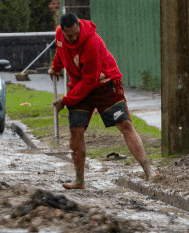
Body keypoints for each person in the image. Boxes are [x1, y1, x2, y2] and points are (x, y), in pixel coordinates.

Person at [49, 13, 153, 190]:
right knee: (76, 130)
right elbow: (62, 50)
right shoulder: (60, 35)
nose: (73, 38)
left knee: (125, 124)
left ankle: (149, 171)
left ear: (79, 26)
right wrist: (55, 67)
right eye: (69, 35)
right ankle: (79, 180)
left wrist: (65, 100)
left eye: (75, 33)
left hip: (105, 83)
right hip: (79, 84)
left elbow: (90, 81)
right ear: (63, 32)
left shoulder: (92, 42)